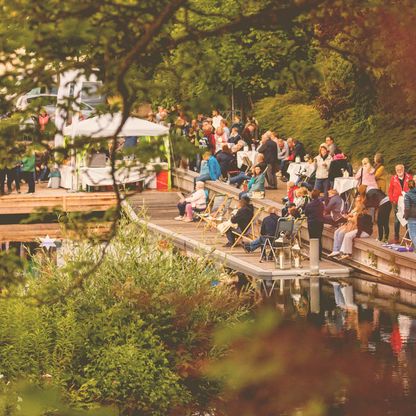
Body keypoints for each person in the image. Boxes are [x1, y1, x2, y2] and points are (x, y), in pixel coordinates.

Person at [388, 164, 413, 243]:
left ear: (403, 169)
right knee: (397, 220)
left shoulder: (409, 177)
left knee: (407, 218)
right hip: (396, 201)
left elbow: (413, 188)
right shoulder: (393, 178)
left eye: (400, 169)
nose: (399, 171)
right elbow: (390, 190)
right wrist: (392, 199)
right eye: (397, 170)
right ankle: (396, 237)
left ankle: (408, 237)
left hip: (407, 200)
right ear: (396, 171)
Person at [304, 189, 325, 259]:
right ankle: (319, 255)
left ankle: (313, 254)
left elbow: (306, 213)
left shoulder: (309, 205)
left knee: (312, 238)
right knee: (319, 238)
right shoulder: (321, 204)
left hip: (312, 222)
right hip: (319, 222)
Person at [404, 180, 416, 248]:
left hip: (412, 217)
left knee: (413, 235)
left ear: (408, 186)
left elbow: (407, 208)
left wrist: (406, 216)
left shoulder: (407, 195)